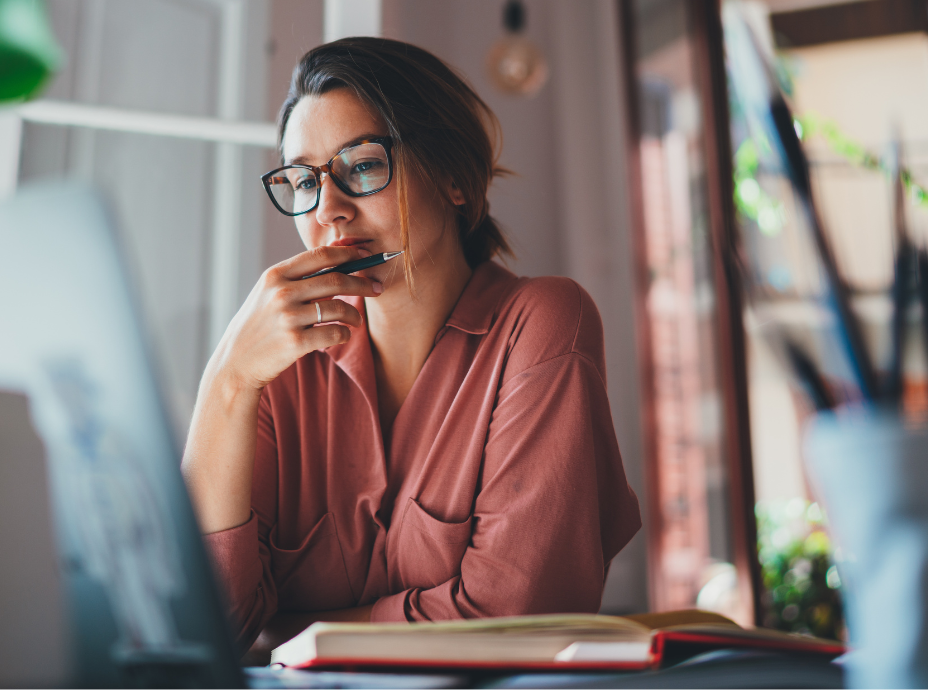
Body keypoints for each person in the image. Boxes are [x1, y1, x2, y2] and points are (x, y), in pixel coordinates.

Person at [182, 37, 641, 655]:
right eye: (304, 181)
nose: (330, 213)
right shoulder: (275, 368)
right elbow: (203, 630)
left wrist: (290, 633)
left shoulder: (541, 323)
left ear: (453, 176)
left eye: (363, 165)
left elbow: (514, 617)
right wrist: (228, 380)